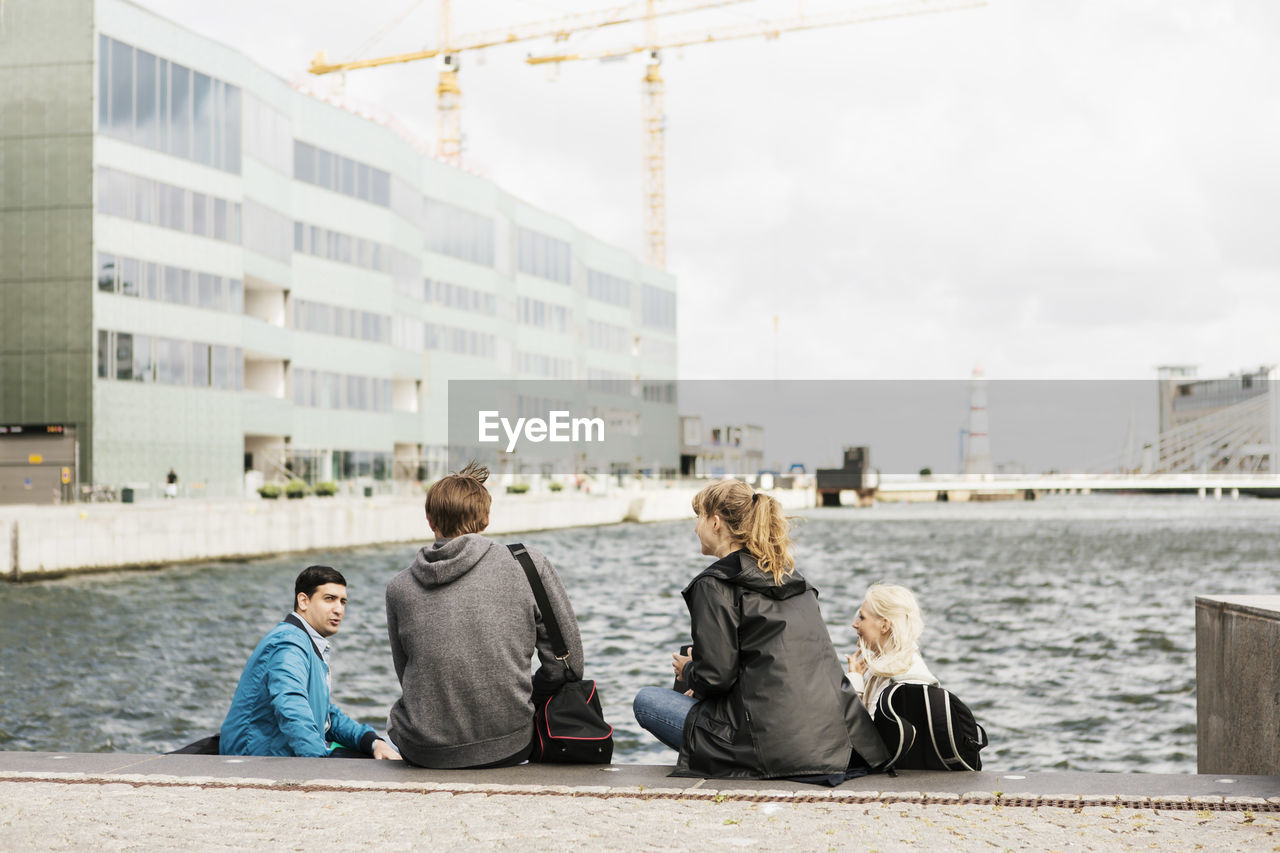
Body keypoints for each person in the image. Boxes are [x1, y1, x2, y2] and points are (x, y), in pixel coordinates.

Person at [633, 480, 888, 780]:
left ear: (715, 522)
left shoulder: (714, 585)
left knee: (646, 701)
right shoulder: (795, 580)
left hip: (771, 749)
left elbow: (716, 677)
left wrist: (689, 671)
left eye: (698, 518)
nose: (695, 528)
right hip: (838, 744)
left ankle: (716, 759)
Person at [385, 461, 585, 768]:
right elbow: (569, 664)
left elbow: (407, 674)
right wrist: (525, 694)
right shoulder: (527, 564)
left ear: (429, 521)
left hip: (425, 750)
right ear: (487, 519)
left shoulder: (399, 587)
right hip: (510, 742)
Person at [220, 565, 399, 759]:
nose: (339, 609)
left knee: (386, 748)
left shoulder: (305, 641)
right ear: (304, 601)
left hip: (278, 751)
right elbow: (291, 708)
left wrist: (371, 741)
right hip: (257, 758)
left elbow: (326, 717)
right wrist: (319, 767)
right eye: (329, 599)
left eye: (343, 602)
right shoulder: (289, 645)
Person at [847, 583, 939, 716]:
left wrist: (854, 684)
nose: (854, 624)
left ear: (884, 625)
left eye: (862, 617)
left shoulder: (905, 679)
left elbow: (866, 734)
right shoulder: (894, 665)